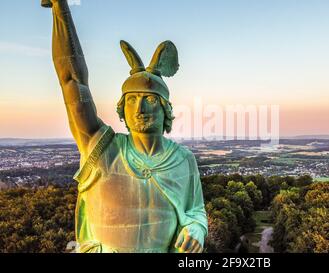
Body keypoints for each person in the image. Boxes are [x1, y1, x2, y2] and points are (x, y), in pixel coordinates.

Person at [41, 0, 208, 253]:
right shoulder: (101, 146)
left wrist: (196, 229)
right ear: (122, 108)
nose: (139, 109)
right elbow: (72, 81)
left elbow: (195, 211)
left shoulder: (184, 160)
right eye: (131, 100)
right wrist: (60, 8)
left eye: (149, 99)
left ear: (166, 108)